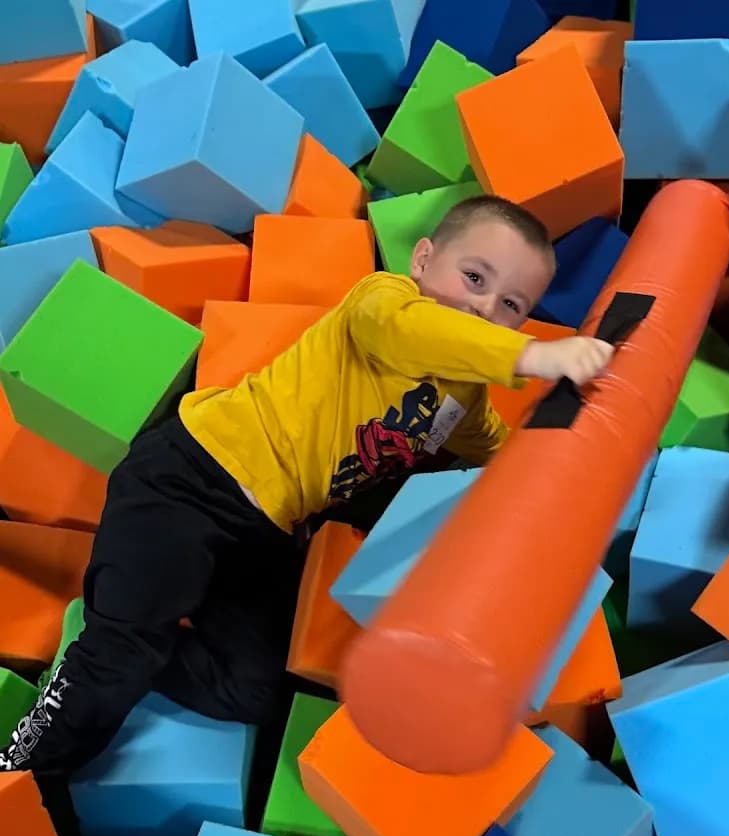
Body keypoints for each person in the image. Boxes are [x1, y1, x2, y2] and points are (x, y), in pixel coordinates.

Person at [0, 194, 613, 777]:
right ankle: (23, 767)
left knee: (259, 688)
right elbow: (420, 334)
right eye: (475, 278)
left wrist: (560, 485)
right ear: (423, 260)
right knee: (116, 662)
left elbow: (496, 453)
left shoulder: (466, 397)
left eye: (511, 303)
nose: (485, 308)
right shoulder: (383, 302)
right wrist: (532, 354)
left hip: (265, 529)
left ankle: (125, 626)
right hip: (192, 477)